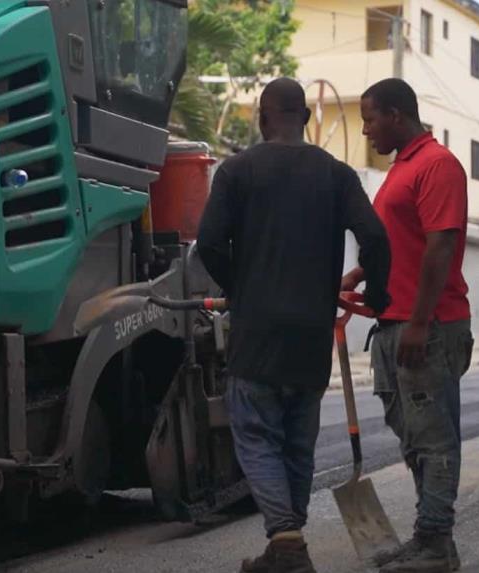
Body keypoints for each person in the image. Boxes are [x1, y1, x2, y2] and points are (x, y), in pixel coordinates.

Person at [196, 77, 391, 573]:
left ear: (262, 119)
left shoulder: (237, 171)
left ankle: (285, 539)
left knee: (258, 434)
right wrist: (380, 293)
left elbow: (210, 243)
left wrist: (240, 287)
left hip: (257, 331)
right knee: (297, 439)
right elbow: (375, 237)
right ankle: (286, 541)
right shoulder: (337, 174)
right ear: (305, 119)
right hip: (311, 331)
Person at [342, 78, 473, 573]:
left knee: (435, 439)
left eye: (370, 120)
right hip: (394, 320)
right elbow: (398, 243)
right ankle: (432, 539)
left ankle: (435, 543)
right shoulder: (402, 167)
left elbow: (439, 247)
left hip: (430, 325)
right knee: (413, 436)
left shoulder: (437, 164)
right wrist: (358, 276)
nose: (366, 131)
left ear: (396, 115)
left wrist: (419, 323)